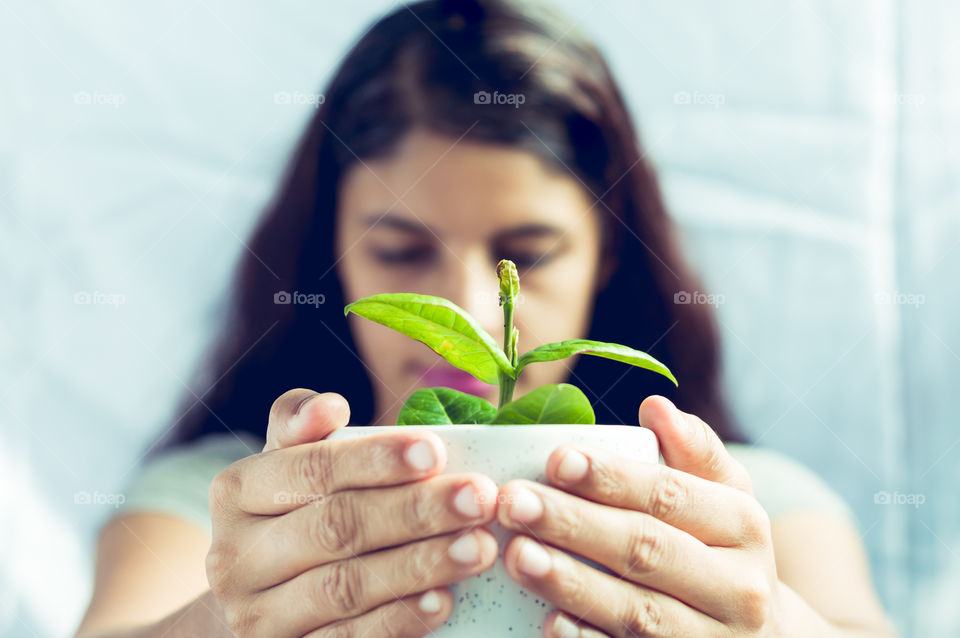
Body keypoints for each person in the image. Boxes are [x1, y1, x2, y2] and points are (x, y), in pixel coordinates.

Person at [75, 1, 897, 636]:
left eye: (527, 255)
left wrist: (775, 623)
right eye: (400, 253)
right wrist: (228, 614)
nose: (465, 308)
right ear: (334, 255)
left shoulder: (754, 510)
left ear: (607, 257)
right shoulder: (225, 502)